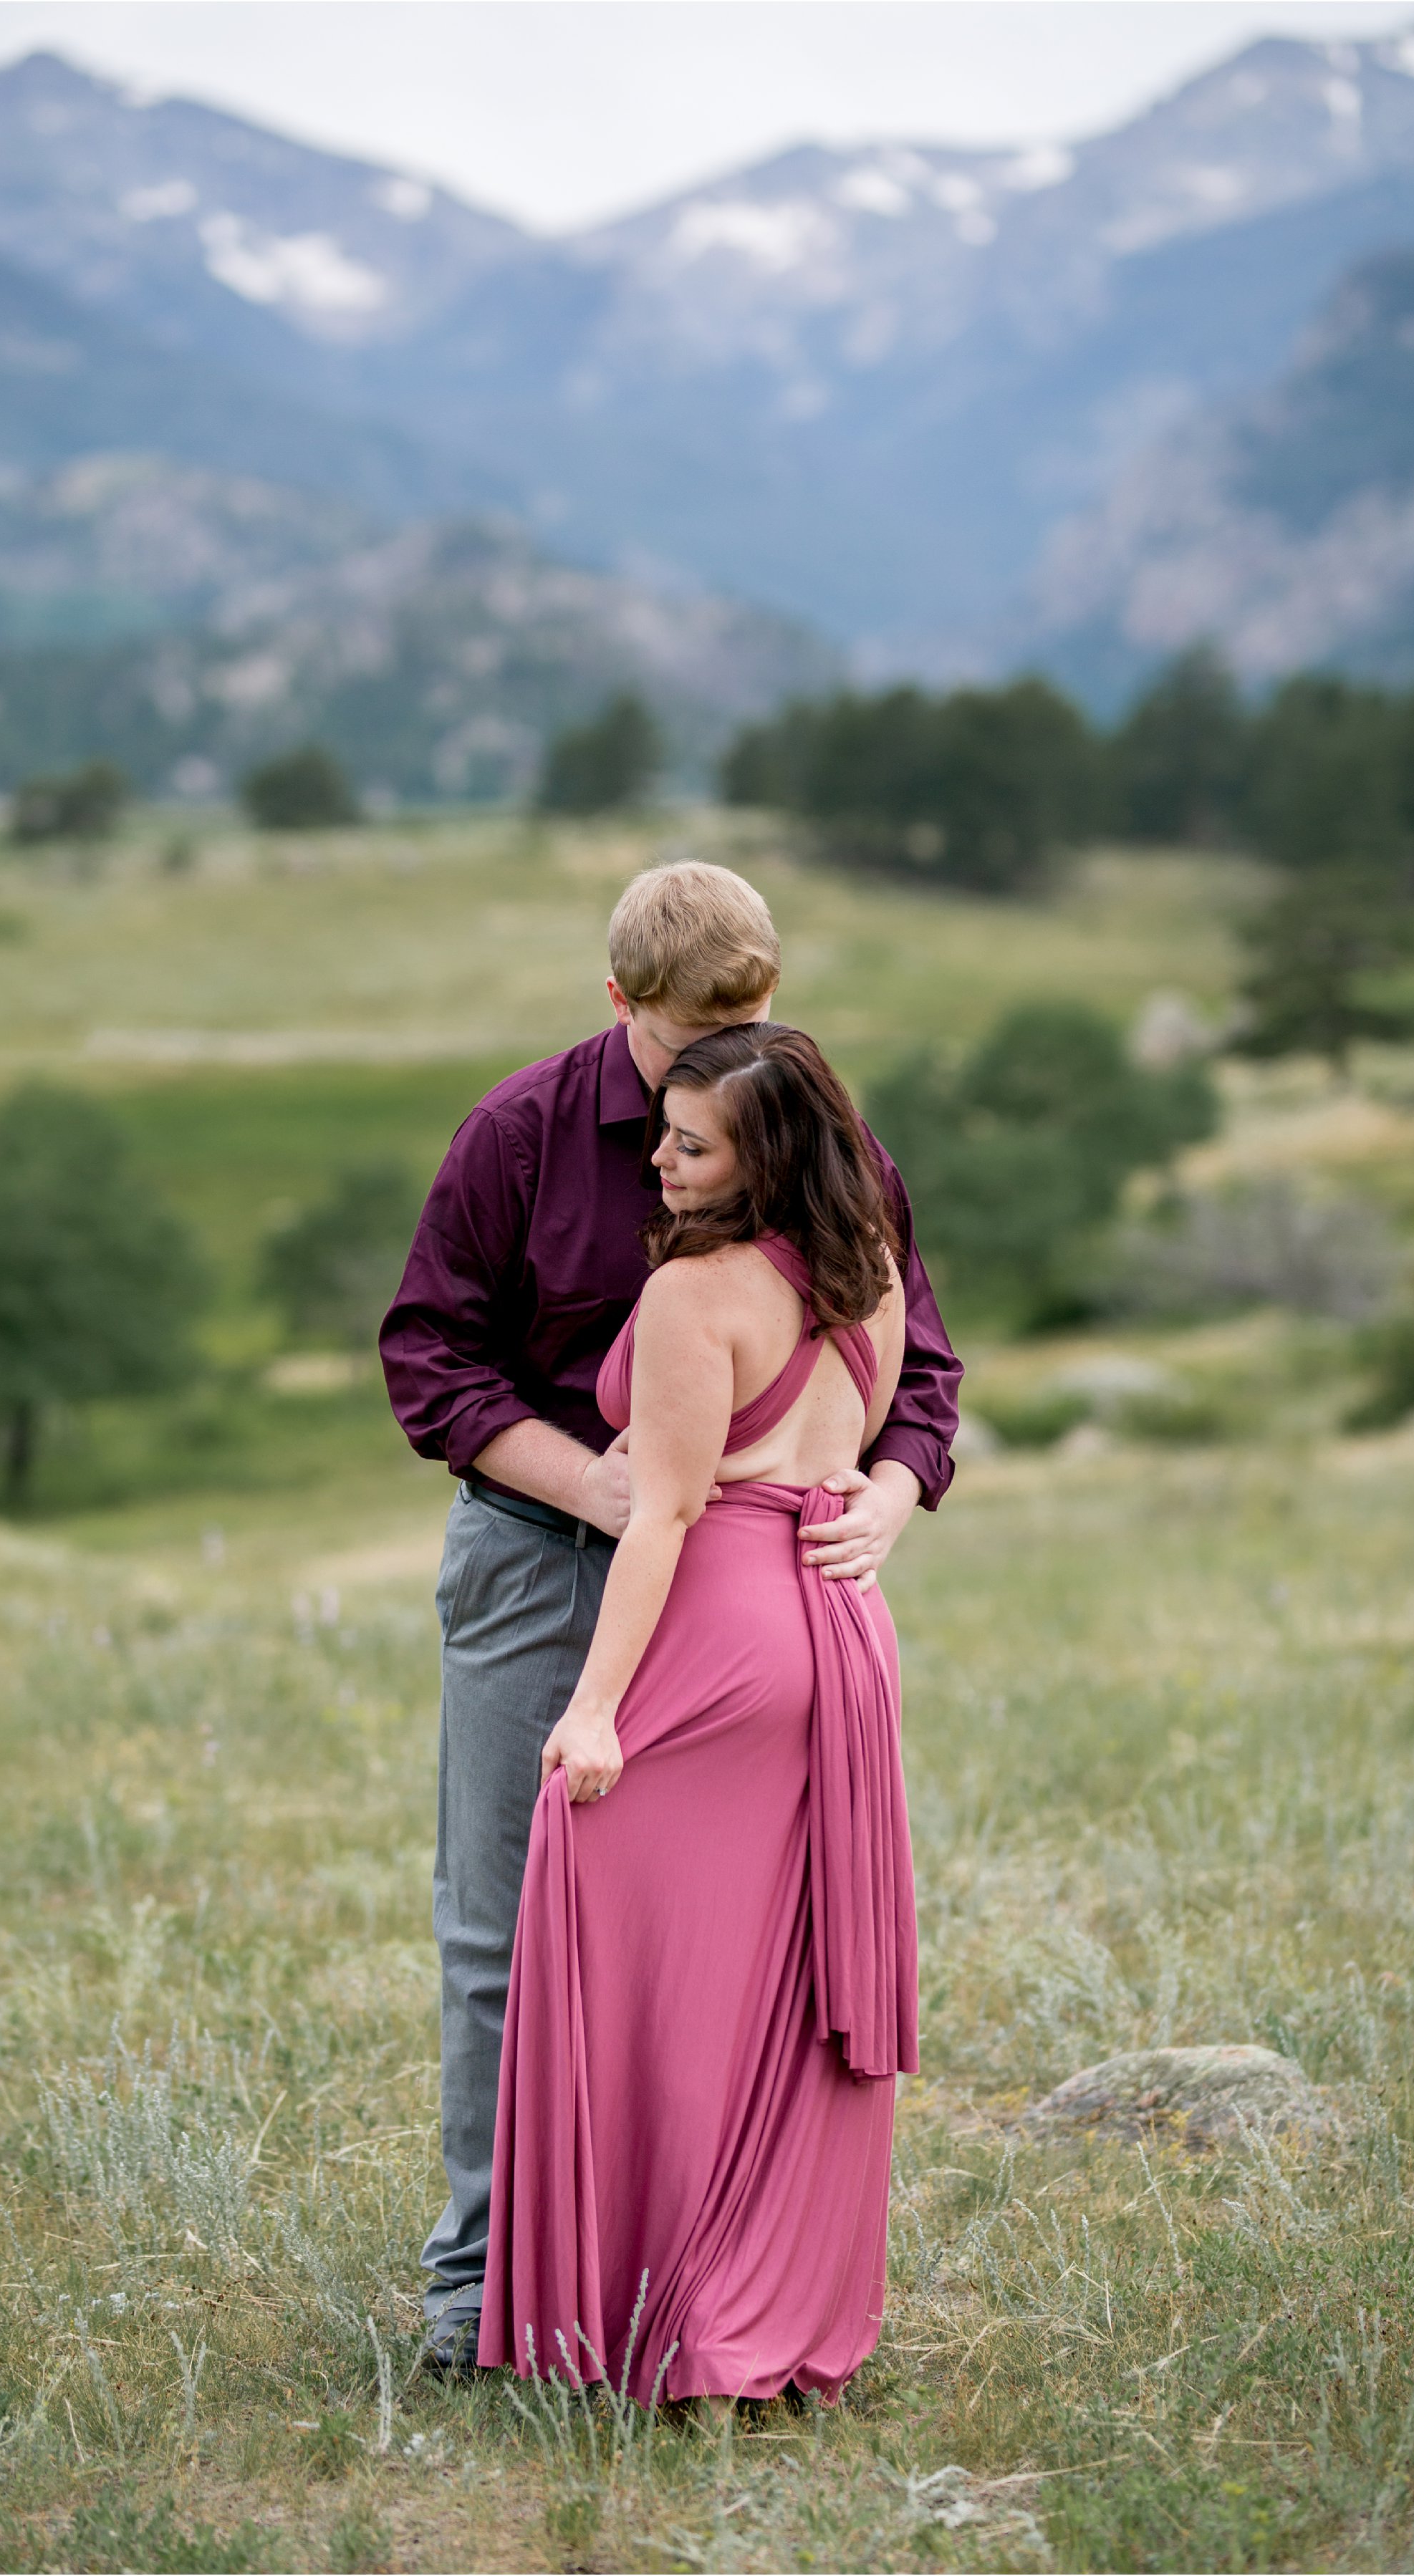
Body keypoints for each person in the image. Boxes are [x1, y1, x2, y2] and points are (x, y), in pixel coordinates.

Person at [381, 864, 959, 2368]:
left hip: (743, 1592)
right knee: (506, 1921)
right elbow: (433, 1365)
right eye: (686, 1042)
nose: (719, 1071)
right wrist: (605, 1490)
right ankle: (479, 2284)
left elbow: (923, 1365)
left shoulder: (812, 1123)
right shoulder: (519, 1134)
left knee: (717, 1943)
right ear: (619, 1001)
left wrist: (894, 1488)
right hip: (541, 1559)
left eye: (751, 1027)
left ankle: (666, 2283)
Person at [477, 1022, 922, 2401]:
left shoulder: (695, 1298)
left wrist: (595, 1709)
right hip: (840, 1635)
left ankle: (658, 2313)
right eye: (662, 1132)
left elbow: (665, 1510)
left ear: (762, 1156)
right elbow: (847, 1456)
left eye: (689, 1142)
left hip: (723, 1634)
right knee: (784, 1982)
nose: (656, 1160)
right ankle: (766, 2309)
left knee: (629, 1949)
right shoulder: (869, 1281)